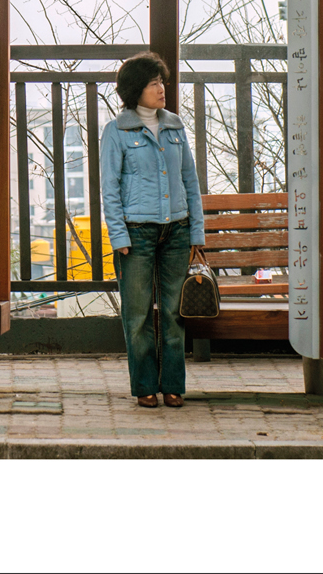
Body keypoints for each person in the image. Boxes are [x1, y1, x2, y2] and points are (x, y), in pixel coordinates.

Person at [99, 51, 205, 408]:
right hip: (136, 233)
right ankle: (145, 386)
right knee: (138, 314)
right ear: (135, 90)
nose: (161, 89)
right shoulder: (117, 131)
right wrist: (119, 235)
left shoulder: (175, 125)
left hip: (176, 230)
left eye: (161, 81)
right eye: (153, 83)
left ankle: (173, 385)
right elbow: (109, 188)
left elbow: (190, 182)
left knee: (175, 314)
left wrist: (196, 234)